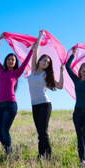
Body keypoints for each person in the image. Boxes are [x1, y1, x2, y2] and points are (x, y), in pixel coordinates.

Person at [0, 33, 33, 154]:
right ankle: (8, 150)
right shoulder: (1, 70)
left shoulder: (16, 73)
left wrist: (32, 50)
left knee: (4, 130)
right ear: (6, 61)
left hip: (10, 105)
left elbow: (25, 62)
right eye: (9, 59)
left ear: (15, 63)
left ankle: (9, 153)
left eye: (13, 59)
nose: (11, 61)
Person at [28, 30, 64, 160]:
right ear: (39, 61)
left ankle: (47, 156)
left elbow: (60, 86)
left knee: (43, 132)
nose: (46, 63)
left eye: (48, 62)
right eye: (44, 60)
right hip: (34, 105)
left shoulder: (46, 75)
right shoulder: (33, 70)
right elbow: (35, 51)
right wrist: (40, 36)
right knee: (39, 133)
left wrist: (61, 71)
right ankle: (41, 154)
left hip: (45, 105)